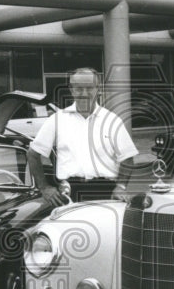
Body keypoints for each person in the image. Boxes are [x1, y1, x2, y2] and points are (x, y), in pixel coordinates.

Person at [27, 67, 139, 204]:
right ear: (72, 90)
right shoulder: (57, 120)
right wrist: (44, 187)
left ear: (98, 89)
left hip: (107, 193)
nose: (84, 93)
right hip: (69, 194)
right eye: (79, 88)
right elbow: (33, 154)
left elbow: (127, 158)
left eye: (89, 88)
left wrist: (121, 187)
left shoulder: (112, 120)